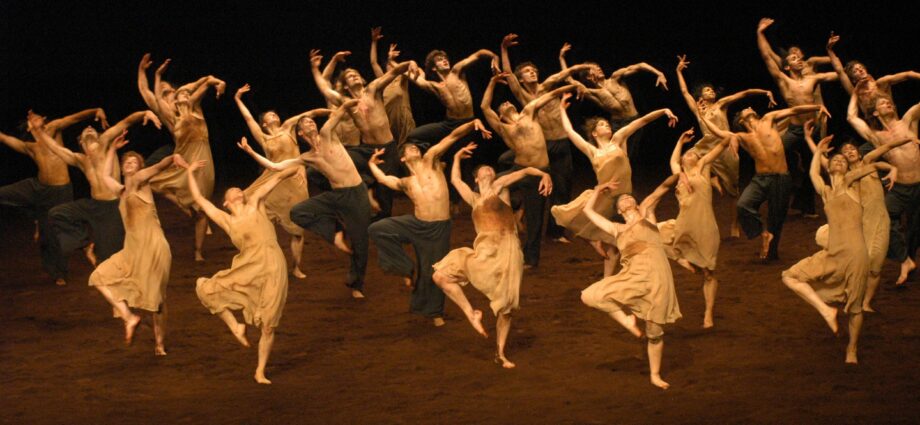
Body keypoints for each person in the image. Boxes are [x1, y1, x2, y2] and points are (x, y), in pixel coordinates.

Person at [432, 142, 552, 369]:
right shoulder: (473, 198)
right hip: (485, 251)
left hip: (507, 251)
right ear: (476, 179)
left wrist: (543, 174)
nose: (488, 170)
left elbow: (526, 171)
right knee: (440, 276)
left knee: (506, 307)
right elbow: (456, 180)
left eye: (490, 168)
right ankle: (471, 313)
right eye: (483, 170)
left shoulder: (499, 187)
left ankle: (500, 352)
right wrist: (457, 156)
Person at [239, 100, 372, 299]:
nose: (310, 124)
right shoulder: (307, 157)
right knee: (298, 212)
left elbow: (342, 108)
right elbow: (275, 167)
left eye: (312, 122)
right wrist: (250, 151)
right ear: (300, 133)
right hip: (337, 196)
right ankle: (336, 231)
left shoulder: (328, 134)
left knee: (360, 243)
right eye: (305, 124)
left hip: (356, 193)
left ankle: (356, 284)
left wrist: (358, 103)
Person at [180, 155, 295, 384]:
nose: (237, 189)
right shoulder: (226, 220)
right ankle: (235, 327)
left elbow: (279, 176)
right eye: (232, 190)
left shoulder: (256, 203)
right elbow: (199, 200)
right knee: (207, 289)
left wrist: (300, 166)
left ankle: (260, 370)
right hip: (248, 266)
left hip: (272, 264)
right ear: (226, 202)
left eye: (238, 188)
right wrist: (190, 172)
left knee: (269, 324)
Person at [368, 120, 492, 326]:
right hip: (417, 224)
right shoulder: (405, 182)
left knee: (434, 270)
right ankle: (405, 268)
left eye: (415, 146)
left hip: (438, 228)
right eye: (409, 148)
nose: (414, 148)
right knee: (377, 229)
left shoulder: (431, 160)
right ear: (403, 158)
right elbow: (383, 179)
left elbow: (451, 137)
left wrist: (472, 124)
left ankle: (434, 312)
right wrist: (372, 164)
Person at [782, 137, 884, 364]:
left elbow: (875, 165)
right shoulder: (826, 191)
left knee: (855, 308)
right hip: (833, 252)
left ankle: (852, 349)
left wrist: (893, 169)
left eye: (842, 160)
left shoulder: (852, 184)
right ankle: (826, 310)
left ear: (848, 167)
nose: (838, 161)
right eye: (834, 159)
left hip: (856, 254)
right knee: (790, 277)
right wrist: (817, 150)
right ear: (829, 166)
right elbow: (813, 175)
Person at [551, 93, 678, 276]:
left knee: (633, 236)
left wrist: (664, 110)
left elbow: (640, 121)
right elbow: (570, 132)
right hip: (605, 199)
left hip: (625, 198)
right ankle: (604, 271)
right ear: (594, 133)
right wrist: (562, 109)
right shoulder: (592, 151)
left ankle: (646, 267)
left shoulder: (618, 140)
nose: (607, 125)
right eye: (602, 124)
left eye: (607, 123)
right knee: (606, 239)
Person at [581, 175, 682, 389]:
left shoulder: (646, 213)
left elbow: (662, 188)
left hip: (656, 276)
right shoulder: (617, 228)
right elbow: (588, 212)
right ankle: (627, 321)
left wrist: (678, 174)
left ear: (635, 203)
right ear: (618, 211)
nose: (626, 199)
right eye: (621, 200)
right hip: (633, 275)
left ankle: (655, 374)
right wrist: (599, 189)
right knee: (590, 295)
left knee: (655, 332)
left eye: (629, 197)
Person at [30, 110, 162, 273]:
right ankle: (85, 244)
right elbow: (55, 148)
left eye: (93, 128)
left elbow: (126, 121)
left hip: (112, 206)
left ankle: (124, 271)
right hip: (93, 205)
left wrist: (145, 113)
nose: (90, 126)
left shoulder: (106, 143)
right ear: (81, 142)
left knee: (109, 256)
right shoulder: (80, 159)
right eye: (85, 129)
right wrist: (38, 131)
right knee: (57, 213)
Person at [500, 33, 594, 243]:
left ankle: (555, 231)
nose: (532, 73)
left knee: (563, 187)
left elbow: (567, 72)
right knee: (527, 177)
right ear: (521, 78)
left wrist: (580, 77)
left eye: (533, 70)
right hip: (543, 145)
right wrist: (504, 49)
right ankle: (518, 206)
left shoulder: (547, 87)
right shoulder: (523, 96)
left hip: (561, 143)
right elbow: (507, 74)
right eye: (527, 72)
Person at [703, 104, 828, 260]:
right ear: (741, 120)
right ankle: (763, 232)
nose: (749, 106)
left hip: (781, 177)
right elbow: (720, 133)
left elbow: (793, 110)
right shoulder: (742, 136)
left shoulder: (769, 119)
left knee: (776, 218)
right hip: (760, 179)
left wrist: (818, 106)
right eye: (745, 108)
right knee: (743, 205)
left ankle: (771, 253)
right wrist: (701, 116)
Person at [0, 107, 108, 285]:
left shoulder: (54, 130)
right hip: (38, 187)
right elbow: (4, 138)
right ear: (28, 127)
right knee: (7, 194)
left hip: (60, 191)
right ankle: (37, 220)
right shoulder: (30, 147)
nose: (31, 115)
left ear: (44, 119)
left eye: (36, 115)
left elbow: (73, 117)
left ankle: (61, 272)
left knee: (54, 233)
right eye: (29, 117)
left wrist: (95, 111)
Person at [90, 132, 174, 355]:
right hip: (133, 250)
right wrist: (112, 150)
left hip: (154, 247)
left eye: (134, 162)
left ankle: (159, 344)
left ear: (139, 167)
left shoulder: (140, 181)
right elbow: (105, 176)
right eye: (126, 162)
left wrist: (172, 159)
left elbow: (157, 168)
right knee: (98, 278)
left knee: (157, 300)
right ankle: (129, 317)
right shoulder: (122, 191)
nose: (129, 164)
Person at [803, 121, 901, 312]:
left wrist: (894, 166)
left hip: (880, 221)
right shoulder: (847, 176)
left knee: (876, 266)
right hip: (859, 223)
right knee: (858, 262)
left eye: (852, 148)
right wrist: (808, 139)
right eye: (844, 151)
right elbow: (821, 162)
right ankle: (850, 293)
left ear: (859, 152)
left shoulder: (868, 163)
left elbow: (885, 151)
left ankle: (866, 302)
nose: (849, 151)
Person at [674, 54, 776, 237]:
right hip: (706, 145)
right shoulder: (697, 110)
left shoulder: (721, 105)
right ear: (701, 96)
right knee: (687, 159)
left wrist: (764, 92)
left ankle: (734, 225)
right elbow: (684, 92)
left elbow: (743, 94)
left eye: (712, 90)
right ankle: (711, 177)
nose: (710, 92)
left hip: (725, 144)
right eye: (706, 90)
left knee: (733, 190)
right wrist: (679, 71)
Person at [234, 84, 329, 279]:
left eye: (274, 114)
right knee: (257, 217)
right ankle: (258, 262)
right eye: (268, 116)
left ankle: (296, 267)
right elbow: (248, 118)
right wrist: (237, 99)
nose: (273, 116)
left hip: (294, 181)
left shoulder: (288, 127)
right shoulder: (262, 137)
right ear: (264, 124)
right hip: (273, 181)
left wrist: (334, 111)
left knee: (297, 230)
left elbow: (310, 113)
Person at [481, 72, 575, 268]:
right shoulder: (501, 127)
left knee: (535, 220)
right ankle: (506, 219)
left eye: (508, 102)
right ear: (500, 114)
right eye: (503, 105)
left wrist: (572, 87)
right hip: (519, 169)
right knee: (485, 188)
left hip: (539, 174)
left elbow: (550, 94)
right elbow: (484, 106)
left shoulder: (529, 112)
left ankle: (530, 259)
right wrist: (491, 81)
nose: (506, 102)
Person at [138, 54, 225, 262]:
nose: (170, 94)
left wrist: (219, 82)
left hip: (203, 159)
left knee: (202, 206)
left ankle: (198, 250)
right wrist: (147, 72)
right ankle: (183, 204)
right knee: (151, 182)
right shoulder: (168, 115)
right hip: (182, 156)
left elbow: (206, 81)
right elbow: (147, 92)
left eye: (171, 91)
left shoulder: (193, 104)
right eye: (166, 92)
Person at [311, 48, 412, 218]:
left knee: (385, 203)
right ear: (345, 85)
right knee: (322, 168)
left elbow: (395, 71)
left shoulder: (373, 89)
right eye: (349, 76)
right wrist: (315, 68)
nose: (354, 76)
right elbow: (324, 87)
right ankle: (356, 193)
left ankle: (376, 222)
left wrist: (411, 63)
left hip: (388, 149)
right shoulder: (345, 101)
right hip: (365, 150)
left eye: (356, 74)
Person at [757, 18, 839, 218]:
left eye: (798, 56)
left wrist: (830, 51)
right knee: (773, 155)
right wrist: (760, 33)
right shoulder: (784, 80)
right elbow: (767, 57)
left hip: (812, 129)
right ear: (787, 66)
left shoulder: (812, 76)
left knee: (817, 165)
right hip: (794, 130)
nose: (798, 59)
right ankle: (764, 196)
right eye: (793, 58)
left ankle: (812, 206)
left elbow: (839, 73)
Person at [657, 129, 731, 328]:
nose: (691, 154)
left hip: (705, 227)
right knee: (655, 236)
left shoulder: (703, 169)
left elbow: (724, 143)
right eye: (687, 153)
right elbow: (673, 162)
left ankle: (708, 313)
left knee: (708, 273)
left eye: (695, 153)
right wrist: (680, 141)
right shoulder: (678, 175)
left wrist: (719, 132)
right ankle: (683, 260)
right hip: (683, 225)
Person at [847, 92, 920, 285]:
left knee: (916, 228)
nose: (888, 103)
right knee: (885, 219)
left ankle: (910, 259)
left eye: (889, 101)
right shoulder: (875, 136)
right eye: (883, 103)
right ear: (875, 112)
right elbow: (851, 117)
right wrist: (855, 92)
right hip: (900, 188)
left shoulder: (908, 120)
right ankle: (904, 260)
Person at [559, 42, 669, 162]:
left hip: (635, 119)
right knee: (619, 157)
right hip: (618, 124)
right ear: (588, 77)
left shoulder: (616, 78)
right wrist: (561, 57)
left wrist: (659, 73)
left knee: (632, 157)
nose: (599, 68)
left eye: (598, 66)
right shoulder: (592, 93)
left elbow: (640, 65)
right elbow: (568, 79)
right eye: (594, 68)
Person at [407, 47, 498, 149]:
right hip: (450, 124)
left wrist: (495, 58)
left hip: (468, 122)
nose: (444, 60)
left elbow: (479, 54)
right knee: (413, 136)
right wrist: (409, 63)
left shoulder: (456, 71)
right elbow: (411, 76)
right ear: (434, 68)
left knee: (466, 155)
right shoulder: (435, 86)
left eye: (445, 58)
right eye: (440, 60)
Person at [826, 33, 920, 124]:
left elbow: (908, 74)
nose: (860, 70)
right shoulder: (857, 94)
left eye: (861, 68)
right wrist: (829, 49)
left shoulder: (881, 84)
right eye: (855, 71)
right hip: (877, 134)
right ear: (853, 80)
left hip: (895, 127)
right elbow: (840, 71)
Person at [370, 27, 416, 147]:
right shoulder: (383, 82)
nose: (392, 69)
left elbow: (403, 69)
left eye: (393, 67)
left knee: (409, 148)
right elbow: (373, 62)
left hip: (404, 120)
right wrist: (374, 42)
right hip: (389, 123)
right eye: (389, 66)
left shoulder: (402, 79)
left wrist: (391, 60)